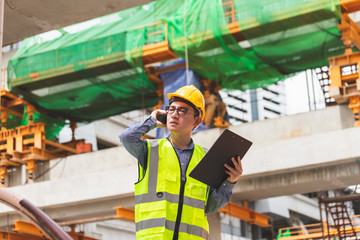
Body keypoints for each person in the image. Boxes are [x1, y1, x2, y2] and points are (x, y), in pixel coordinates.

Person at [120, 85, 243, 240]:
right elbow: (126, 137)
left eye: (182, 110)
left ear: (197, 121)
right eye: (171, 109)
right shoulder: (150, 151)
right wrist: (151, 121)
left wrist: (230, 181)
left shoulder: (205, 157)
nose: (174, 115)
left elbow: (211, 206)